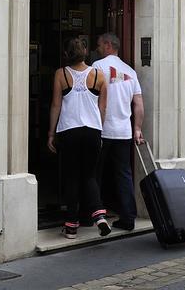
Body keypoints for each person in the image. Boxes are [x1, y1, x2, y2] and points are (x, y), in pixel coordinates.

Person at [47, 36, 111, 239]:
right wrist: (98, 131)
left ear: (67, 54)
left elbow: (56, 105)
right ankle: (99, 215)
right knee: (89, 175)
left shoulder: (61, 74)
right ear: (86, 52)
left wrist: (51, 133)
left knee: (72, 177)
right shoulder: (99, 75)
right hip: (92, 130)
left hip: (69, 130)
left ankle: (71, 226)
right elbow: (102, 108)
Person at [92, 32, 144, 231]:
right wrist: (137, 128)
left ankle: (94, 215)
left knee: (95, 174)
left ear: (107, 45)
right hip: (124, 132)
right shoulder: (130, 71)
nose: (97, 48)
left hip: (103, 130)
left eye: (99, 45)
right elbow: (138, 104)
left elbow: (93, 100)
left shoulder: (98, 67)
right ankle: (128, 218)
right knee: (124, 174)